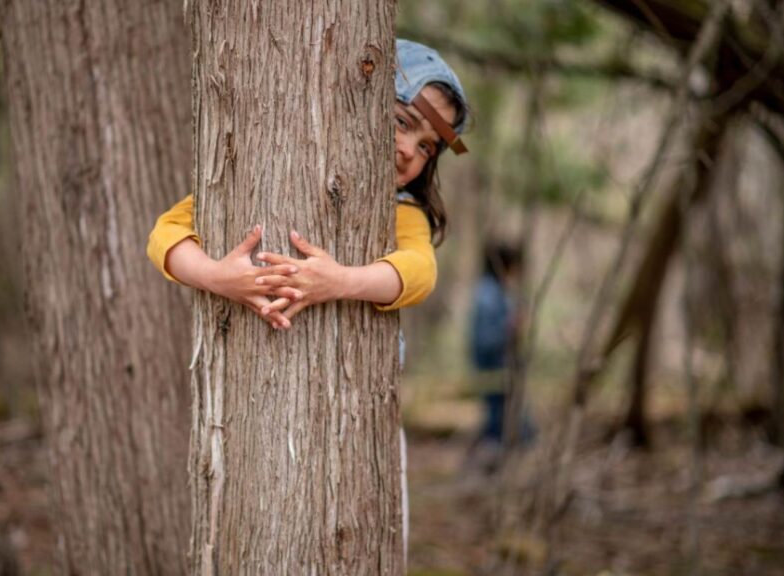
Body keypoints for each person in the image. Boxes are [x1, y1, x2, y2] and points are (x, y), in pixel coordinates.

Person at [147, 38, 470, 561]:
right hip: (248, 399)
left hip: (363, 415)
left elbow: (419, 272)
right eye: (402, 121)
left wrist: (339, 281)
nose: (412, 150)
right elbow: (165, 233)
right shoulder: (270, 169)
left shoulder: (402, 210)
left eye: (429, 145)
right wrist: (217, 276)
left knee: (374, 540)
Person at [467, 240, 532, 470]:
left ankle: (493, 472)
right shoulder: (488, 294)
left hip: (500, 366)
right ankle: (482, 472)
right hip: (493, 368)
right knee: (497, 423)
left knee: (508, 423)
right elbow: (485, 339)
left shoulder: (495, 291)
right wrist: (511, 326)